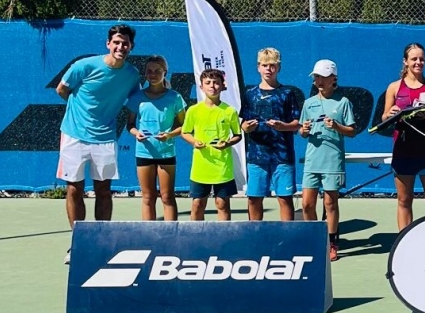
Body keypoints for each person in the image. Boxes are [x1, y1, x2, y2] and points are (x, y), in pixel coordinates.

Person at [56, 24, 142, 263]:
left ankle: (101, 243)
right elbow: (62, 90)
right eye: (116, 42)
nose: (120, 47)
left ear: (131, 47)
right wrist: (79, 111)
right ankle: (78, 243)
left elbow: (136, 100)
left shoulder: (132, 75)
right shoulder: (84, 66)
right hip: (73, 135)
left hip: (105, 138)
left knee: (103, 191)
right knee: (74, 189)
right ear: (108, 44)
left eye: (125, 43)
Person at [300, 59, 357, 262]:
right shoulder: (308, 103)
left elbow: (352, 131)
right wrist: (304, 130)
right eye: (316, 77)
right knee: (307, 204)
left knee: (330, 203)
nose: (319, 81)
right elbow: (302, 131)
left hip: (333, 161)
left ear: (333, 78)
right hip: (312, 161)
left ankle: (331, 243)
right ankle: (313, 240)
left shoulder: (343, 102)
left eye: (323, 77)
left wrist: (337, 126)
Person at [382, 43, 425, 229]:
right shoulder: (394, 87)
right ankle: (404, 240)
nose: (418, 62)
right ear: (405, 62)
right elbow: (384, 118)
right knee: (404, 199)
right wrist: (390, 113)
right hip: (403, 151)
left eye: (421, 59)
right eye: (414, 59)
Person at [239, 48, 303, 221]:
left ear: (278, 68)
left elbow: (296, 124)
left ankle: (287, 234)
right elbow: (243, 123)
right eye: (265, 65)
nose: (268, 69)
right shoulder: (250, 94)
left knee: (284, 199)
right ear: (258, 67)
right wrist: (246, 128)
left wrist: (283, 126)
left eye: (272, 65)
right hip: (256, 157)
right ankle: (255, 233)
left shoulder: (287, 93)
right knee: (253, 199)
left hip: (282, 157)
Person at [125, 55, 187, 221]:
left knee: (167, 197)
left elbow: (185, 126)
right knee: (148, 197)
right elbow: (129, 125)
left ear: (165, 72)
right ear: (145, 73)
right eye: (149, 71)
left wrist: (169, 135)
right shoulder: (137, 97)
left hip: (166, 153)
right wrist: (136, 133)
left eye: (157, 71)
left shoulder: (175, 97)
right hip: (144, 153)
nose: (153, 74)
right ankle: (148, 234)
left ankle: (171, 233)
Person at [180, 68, 243, 221]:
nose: (212, 86)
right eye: (208, 83)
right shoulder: (193, 110)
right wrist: (194, 141)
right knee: (198, 204)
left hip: (222, 168)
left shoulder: (230, 111)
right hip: (200, 168)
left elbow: (237, 135)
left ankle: (223, 234)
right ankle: (196, 233)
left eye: (216, 83)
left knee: (222, 203)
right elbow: (185, 132)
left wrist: (227, 143)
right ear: (201, 86)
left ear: (222, 85)